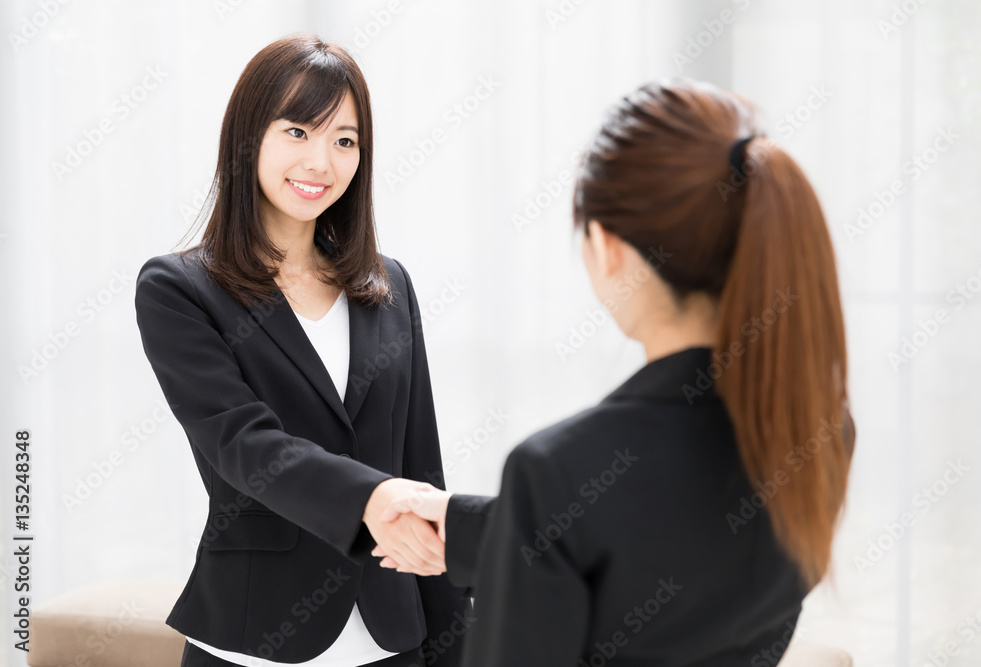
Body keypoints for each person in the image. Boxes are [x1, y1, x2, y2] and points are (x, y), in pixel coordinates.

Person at [373, 78, 857, 666]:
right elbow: (651, 535)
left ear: (609, 249)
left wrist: (524, 528)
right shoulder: (820, 425)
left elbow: (607, 523)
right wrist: (471, 526)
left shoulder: (556, 472)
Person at [134, 33, 468, 667]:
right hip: (253, 638)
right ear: (248, 137)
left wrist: (458, 643)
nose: (321, 161)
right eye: (296, 131)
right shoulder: (179, 289)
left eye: (344, 140)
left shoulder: (388, 285)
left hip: (390, 640)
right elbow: (243, 444)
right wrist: (372, 498)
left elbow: (422, 466)